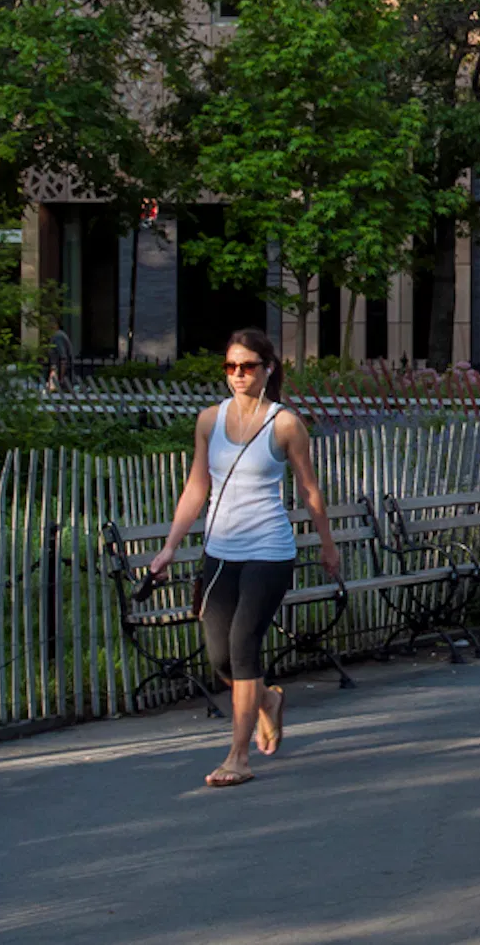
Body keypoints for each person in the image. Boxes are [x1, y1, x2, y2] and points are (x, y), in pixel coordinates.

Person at [146, 329, 339, 788]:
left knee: (243, 647)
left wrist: (327, 544)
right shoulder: (209, 420)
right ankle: (267, 702)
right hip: (220, 552)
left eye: (247, 366)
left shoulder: (284, 424)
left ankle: (238, 756)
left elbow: (309, 490)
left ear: (267, 368)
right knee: (219, 658)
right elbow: (197, 486)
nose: (237, 375)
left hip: (268, 551)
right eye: (230, 366)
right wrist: (171, 546)